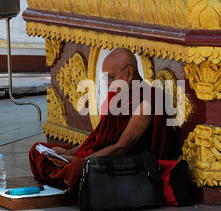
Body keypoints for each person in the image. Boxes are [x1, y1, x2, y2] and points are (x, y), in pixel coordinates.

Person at [29, 48, 173, 190]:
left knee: (75, 169)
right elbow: (98, 136)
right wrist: (71, 152)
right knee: (37, 150)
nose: (107, 83)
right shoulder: (119, 95)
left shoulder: (144, 102)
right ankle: (67, 177)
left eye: (111, 77)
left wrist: (82, 161)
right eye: (106, 78)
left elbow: (121, 148)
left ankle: (69, 177)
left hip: (118, 163)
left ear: (129, 72)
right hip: (97, 154)